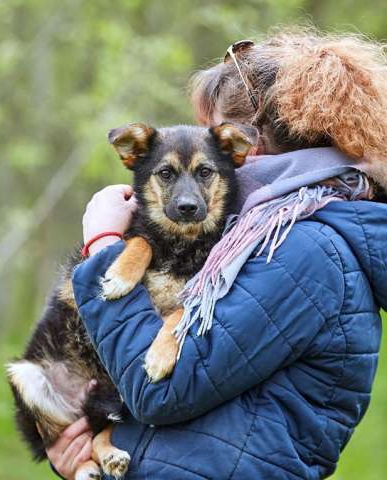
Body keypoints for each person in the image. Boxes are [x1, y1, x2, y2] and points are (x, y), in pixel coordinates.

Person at [47, 28, 387, 479]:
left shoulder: (306, 249)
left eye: (213, 129)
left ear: (250, 141)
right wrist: (90, 450)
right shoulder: (251, 233)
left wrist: (105, 245)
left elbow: (161, 388)